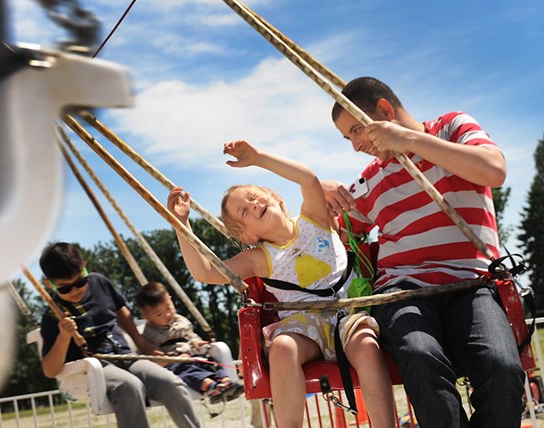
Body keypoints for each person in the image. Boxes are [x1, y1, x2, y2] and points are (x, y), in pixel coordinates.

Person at [322, 77, 526, 428]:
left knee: (503, 369)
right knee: (420, 354)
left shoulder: (451, 128)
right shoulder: (370, 179)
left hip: (470, 285)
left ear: (384, 111)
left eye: (358, 130)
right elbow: (329, 236)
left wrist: (410, 140)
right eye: (348, 138)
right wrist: (318, 192)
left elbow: (493, 170)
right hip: (403, 292)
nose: (356, 145)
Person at [167, 139, 396, 428]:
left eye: (253, 197)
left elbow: (308, 179)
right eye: (244, 212)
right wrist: (181, 225)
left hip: (347, 312)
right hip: (304, 325)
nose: (252, 205)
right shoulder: (258, 258)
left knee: (366, 346)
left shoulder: (313, 218)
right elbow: (205, 273)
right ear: (247, 235)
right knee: (283, 347)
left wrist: (259, 157)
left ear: (274, 196)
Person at [38, 242, 200, 428]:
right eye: (64, 288)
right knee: (130, 386)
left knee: (171, 383)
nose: (74, 291)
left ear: (84, 267)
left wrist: (141, 342)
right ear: (47, 284)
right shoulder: (51, 316)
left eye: (80, 282)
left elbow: (120, 310)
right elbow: (50, 370)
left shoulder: (99, 282)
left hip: (125, 355)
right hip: (92, 367)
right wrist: (64, 336)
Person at [135, 281, 244, 404]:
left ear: (171, 299)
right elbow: (154, 357)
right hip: (174, 364)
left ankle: (226, 382)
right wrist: (175, 358)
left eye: (168, 307)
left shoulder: (181, 320)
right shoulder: (149, 334)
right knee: (186, 371)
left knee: (210, 361)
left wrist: (196, 342)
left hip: (192, 357)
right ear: (146, 317)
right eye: (159, 314)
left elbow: (190, 335)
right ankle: (211, 387)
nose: (168, 314)